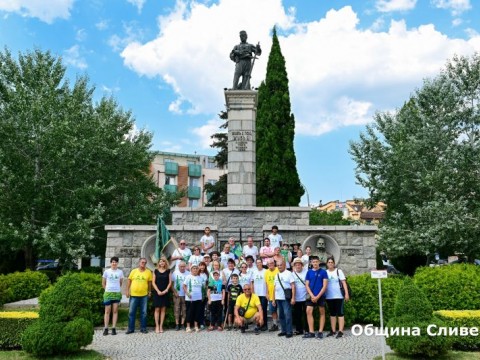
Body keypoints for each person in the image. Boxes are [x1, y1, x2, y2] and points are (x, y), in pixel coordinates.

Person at [303, 256, 329, 339]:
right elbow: (307, 285)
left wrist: (317, 296)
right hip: (312, 295)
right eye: (313, 262)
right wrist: (312, 295)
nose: (315, 263)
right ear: (311, 263)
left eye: (316, 262)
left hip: (320, 295)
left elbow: (325, 286)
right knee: (308, 311)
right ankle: (311, 332)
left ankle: (320, 331)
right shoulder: (309, 272)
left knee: (322, 312)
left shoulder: (323, 272)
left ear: (319, 262)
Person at [126, 257, 152, 334]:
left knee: (144, 313)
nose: (143, 264)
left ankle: (143, 328)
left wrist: (149, 291)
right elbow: (129, 281)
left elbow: (149, 283)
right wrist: (127, 291)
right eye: (142, 262)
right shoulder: (133, 271)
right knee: (131, 312)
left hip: (144, 296)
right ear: (139, 263)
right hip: (134, 295)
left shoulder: (148, 272)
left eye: (144, 263)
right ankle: (130, 329)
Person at [325, 256, 350, 338]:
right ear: (327, 264)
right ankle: (333, 330)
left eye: (332, 262)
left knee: (340, 313)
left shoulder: (339, 271)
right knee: (332, 314)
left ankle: (341, 331)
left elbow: (344, 283)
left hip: (339, 296)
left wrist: (346, 294)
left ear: (334, 263)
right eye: (329, 262)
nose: (330, 264)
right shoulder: (325, 272)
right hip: (329, 296)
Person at [272, 260, 295, 338]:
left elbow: (293, 286)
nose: (279, 266)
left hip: (286, 298)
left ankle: (289, 331)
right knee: (281, 315)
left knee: (287, 315)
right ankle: (283, 330)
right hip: (278, 298)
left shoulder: (289, 273)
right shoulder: (276, 275)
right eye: (278, 265)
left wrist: (293, 298)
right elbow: (274, 288)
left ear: (284, 265)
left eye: (280, 265)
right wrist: (273, 299)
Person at [102, 256, 124, 336]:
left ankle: (114, 328)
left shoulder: (120, 272)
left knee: (115, 311)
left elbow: (121, 283)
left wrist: (116, 289)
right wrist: (107, 290)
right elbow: (103, 283)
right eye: (113, 262)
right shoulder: (106, 271)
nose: (114, 263)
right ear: (111, 263)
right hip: (108, 293)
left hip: (116, 293)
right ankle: (106, 328)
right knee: (107, 311)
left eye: (115, 262)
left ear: (117, 263)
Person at [183, 264, 205, 333]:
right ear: (191, 269)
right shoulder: (188, 277)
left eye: (196, 268)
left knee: (197, 312)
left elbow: (202, 288)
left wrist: (202, 296)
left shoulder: (200, 278)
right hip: (190, 298)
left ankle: (196, 326)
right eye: (193, 268)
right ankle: (188, 326)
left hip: (198, 297)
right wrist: (187, 293)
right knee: (189, 312)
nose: (195, 269)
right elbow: (184, 286)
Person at [152, 257, 171, 333]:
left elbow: (170, 282)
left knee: (163, 309)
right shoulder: (155, 271)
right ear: (158, 263)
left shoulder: (168, 271)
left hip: (165, 292)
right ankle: (157, 326)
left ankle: (161, 326)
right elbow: (153, 282)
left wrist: (166, 290)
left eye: (163, 261)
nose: (162, 263)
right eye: (160, 261)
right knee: (157, 309)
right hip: (157, 292)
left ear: (165, 263)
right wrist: (158, 291)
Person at [291, 257, 308, 335]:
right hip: (296, 297)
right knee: (297, 315)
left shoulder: (306, 272)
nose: (298, 266)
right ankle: (299, 329)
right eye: (296, 265)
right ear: (294, 266)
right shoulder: (292, 274)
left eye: (299, 265)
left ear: (302, 265)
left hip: (305, 297)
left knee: (306, 314)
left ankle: (307, 329)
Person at [171, 261, 189, 331]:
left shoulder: (188, 273)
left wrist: (187, 292)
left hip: (185, 295)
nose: (182, 268)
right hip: (177, 294)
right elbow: (171, 284)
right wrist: (174, 292)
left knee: (184, 309)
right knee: (177, 309)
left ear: (185, 266)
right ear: (178, 266)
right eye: (181, 266)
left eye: (183, 266)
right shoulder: (175, 273)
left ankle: (182, 324)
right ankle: (177, 324)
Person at [252, 258, 268, 331]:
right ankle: (258, 324)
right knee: (257, 310)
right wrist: (252, 293)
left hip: (263, 293)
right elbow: (252, 283)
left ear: (262, 263)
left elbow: (267, 283)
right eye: (257, 263)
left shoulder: (265, 271)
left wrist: (267, 293)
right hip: (256, 294)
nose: (258, 264)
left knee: (263, 309)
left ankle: (264, 324)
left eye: (259, 262)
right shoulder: (254, 272)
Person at [265, 258, 279, 331]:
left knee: (281, 310)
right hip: (270, 295)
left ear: (274, 264)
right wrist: (266, 293)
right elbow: (266, 283)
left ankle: (284, 325)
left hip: (279, 294)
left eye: (271, 263)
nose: (270, 265)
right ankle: (275, 324)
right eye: (269, 264)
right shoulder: (266, 272)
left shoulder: (278, 269)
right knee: (273, 311)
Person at [198, 261, 209, 330]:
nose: (202, 267)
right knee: (199, 308)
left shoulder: (207, 274)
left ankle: (202, 322)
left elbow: (207, 284)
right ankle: (198, 322)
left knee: (204, 308)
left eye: (203, 265)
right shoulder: (197, 274)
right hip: (198, 293)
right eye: (200, 265)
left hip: (204, 293)